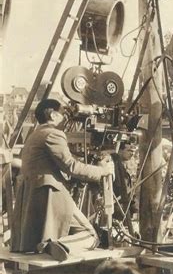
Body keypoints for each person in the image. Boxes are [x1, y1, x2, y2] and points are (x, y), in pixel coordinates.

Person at [10, 99, 115, 261]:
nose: (66, 117)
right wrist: (102, 171)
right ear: (52, 115)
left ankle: (55, 244)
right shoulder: (53, 134)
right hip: (51, 193)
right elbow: (71, 166)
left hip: (34, 195)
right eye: (63, 112)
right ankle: (59, 245)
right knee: (90, 235)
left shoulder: (34, 136)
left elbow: (55, 165)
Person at [111, 143, 138, 220]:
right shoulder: (115, 164)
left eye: (133, 151)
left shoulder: (123, 165)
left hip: (125, 202)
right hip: (118, 203)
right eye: (129, 150)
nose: (132, 154)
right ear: (120, 151)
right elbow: (119, 185)